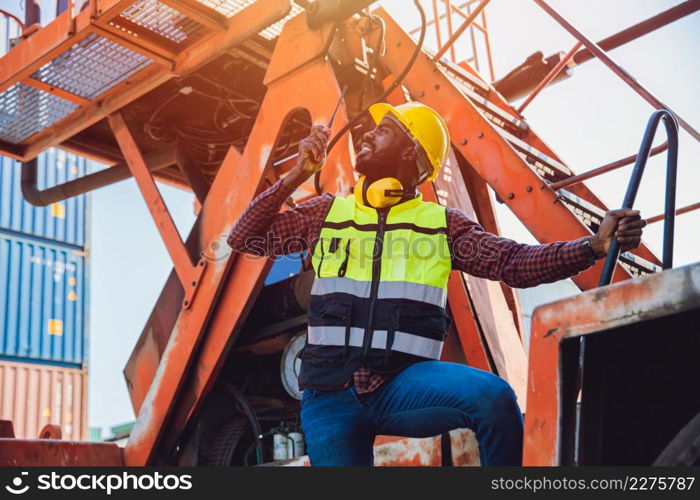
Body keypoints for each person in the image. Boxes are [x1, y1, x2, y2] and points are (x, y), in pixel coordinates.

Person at [227, 102, 645, 466]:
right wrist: (295, 174)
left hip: (402, 386)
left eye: (383, 130)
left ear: (410, 153)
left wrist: (593, 246)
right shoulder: (326, 212)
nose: (367, 135)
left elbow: (514, 262)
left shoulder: (440, 226)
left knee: (493, 398)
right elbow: (243, 238)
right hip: (327, 396)